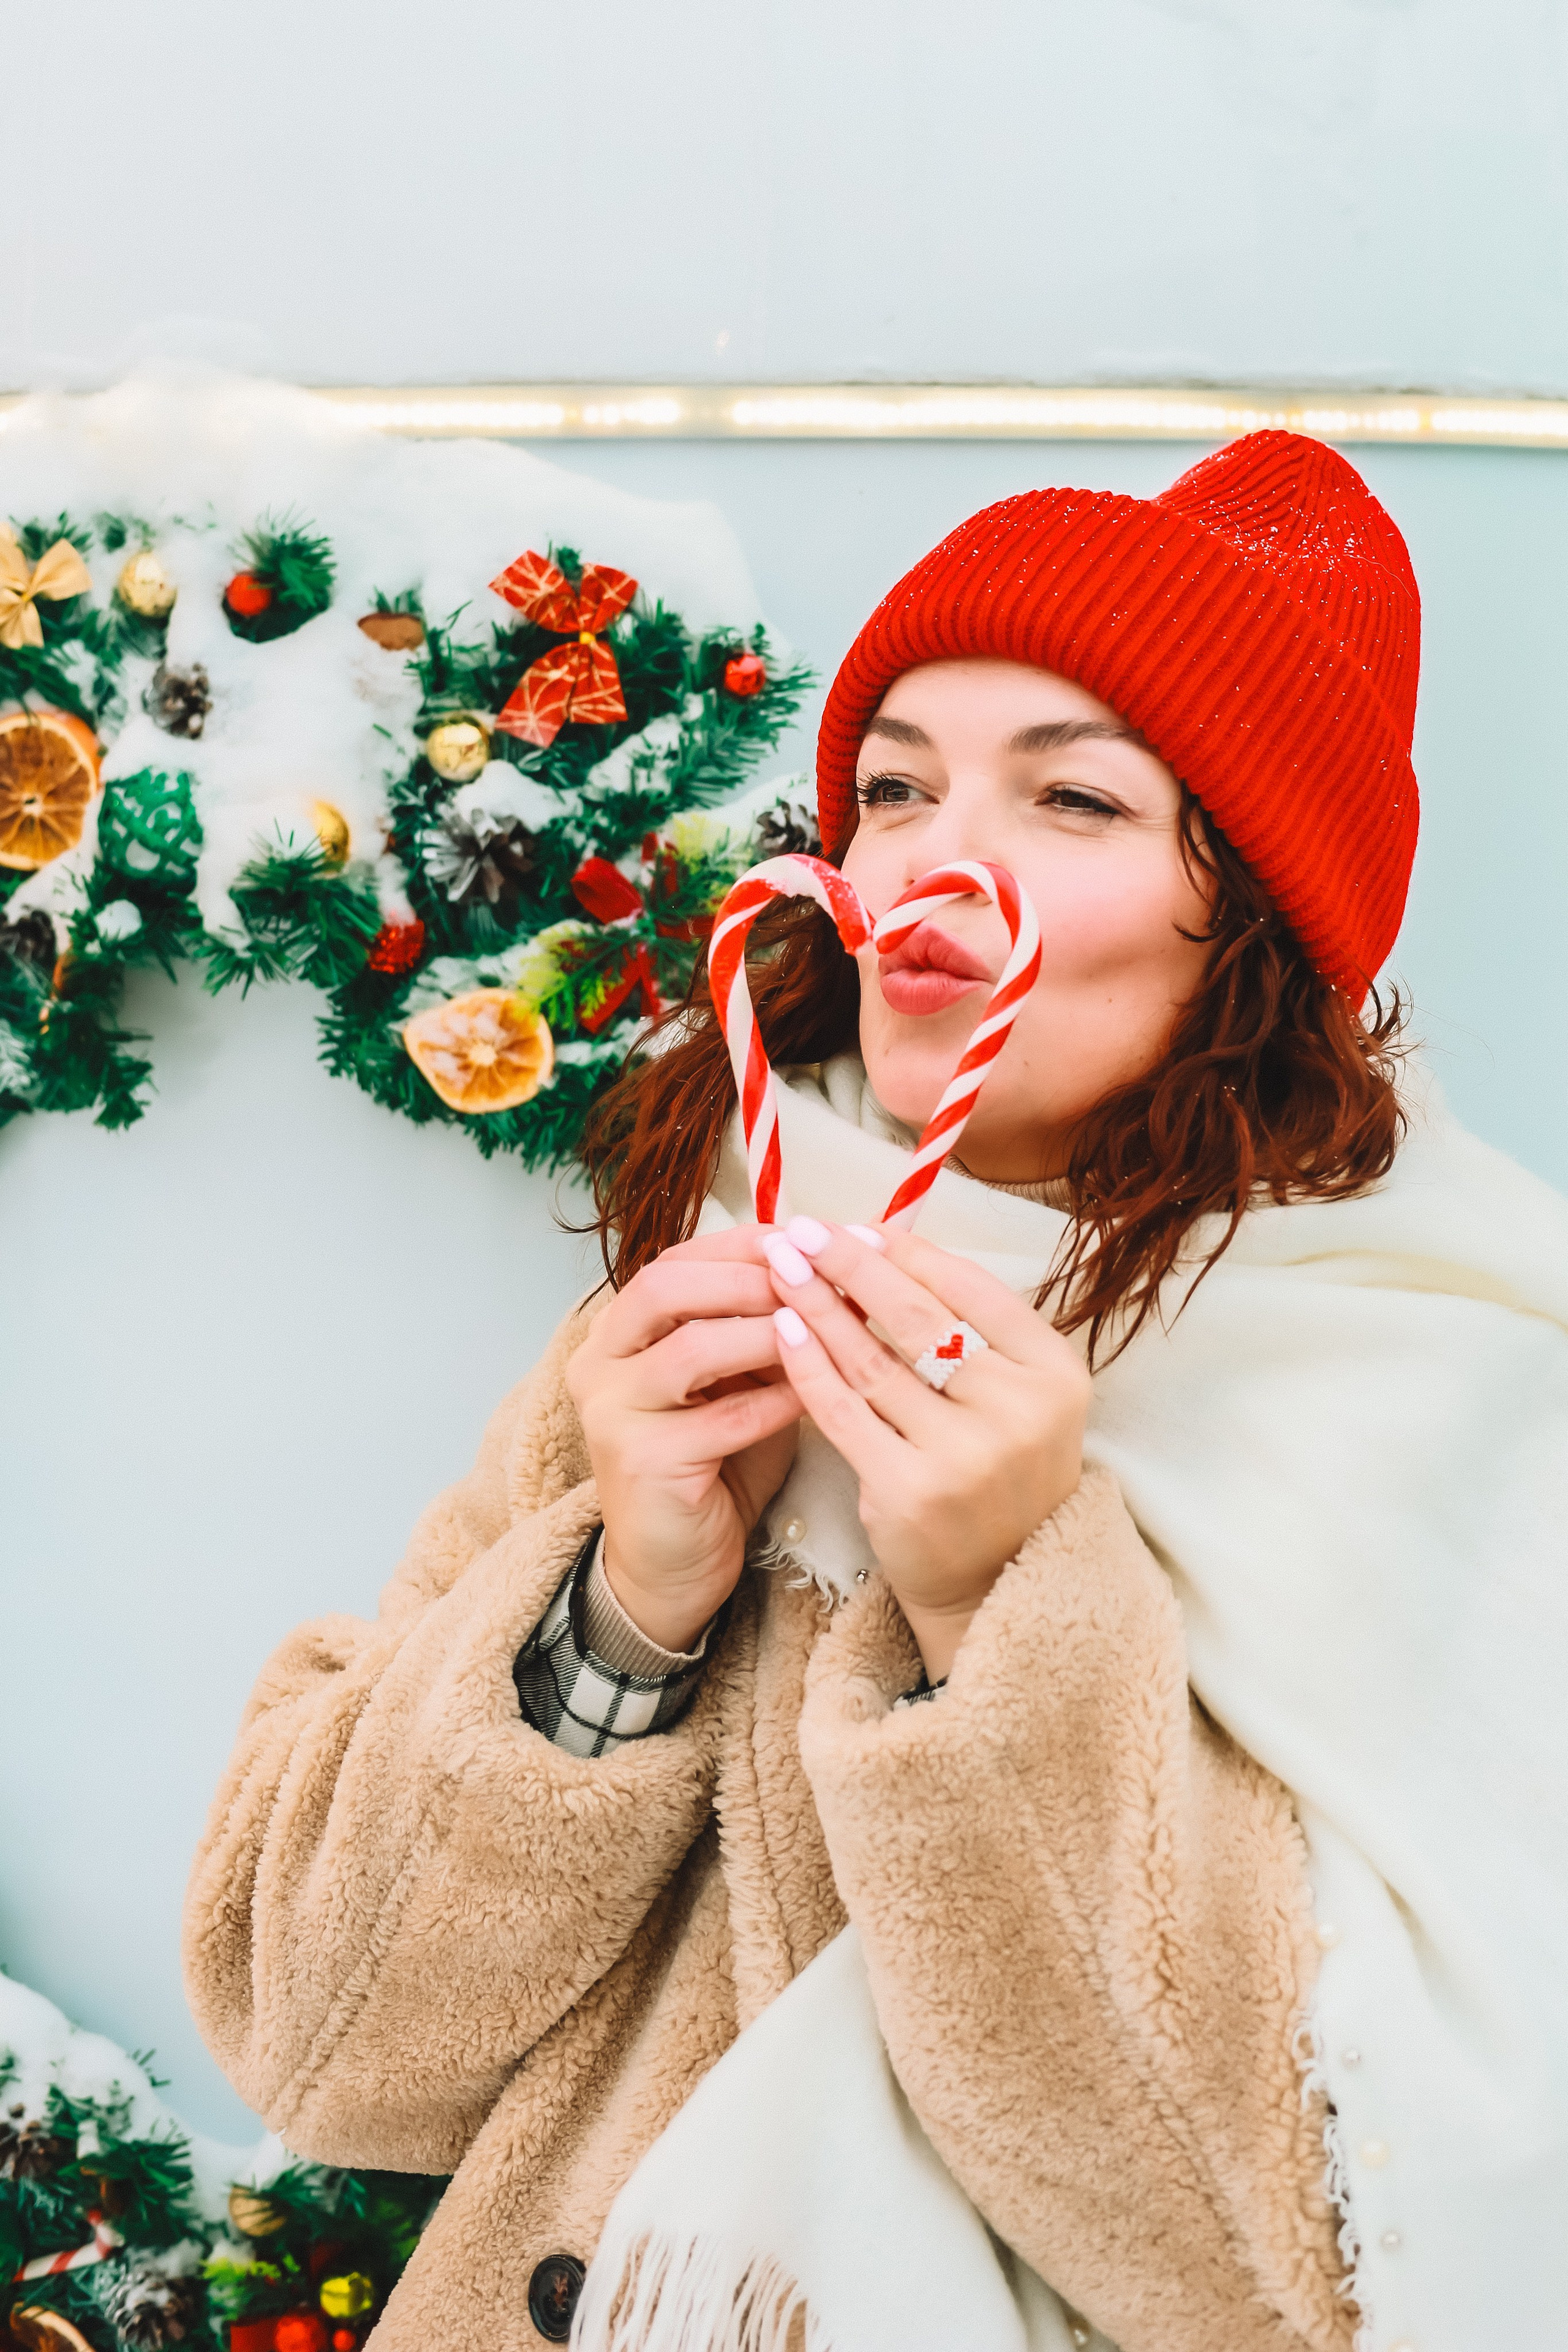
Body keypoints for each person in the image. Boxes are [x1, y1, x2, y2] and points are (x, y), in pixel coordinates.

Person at [184, 434, 1568, 2352]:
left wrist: (1001, 1607)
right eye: (896, 787)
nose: (936, 856)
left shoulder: (1451, 1399)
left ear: (1247, 917)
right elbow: (319, 2044)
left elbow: (1287, 2276)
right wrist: (620, 1609)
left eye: (1072, 798)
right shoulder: (716, 1299)